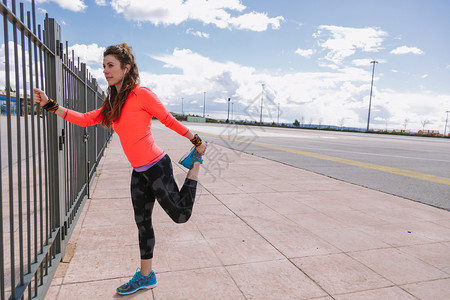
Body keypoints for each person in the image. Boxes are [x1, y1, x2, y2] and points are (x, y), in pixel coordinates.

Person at [33, 43, 207, 296]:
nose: (105, 70)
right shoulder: (113, 102)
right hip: (139, 172)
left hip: (157, 166)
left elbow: (167, 118)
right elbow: (84, 119)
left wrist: (196, 141)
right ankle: (146, 276)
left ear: (126, 68)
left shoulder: (141, 94)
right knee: (143, 224)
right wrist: (51, 105)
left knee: (181, 215)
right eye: (104, 66)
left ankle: (195, 165)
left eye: (110, 65)